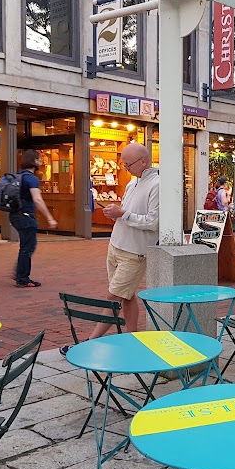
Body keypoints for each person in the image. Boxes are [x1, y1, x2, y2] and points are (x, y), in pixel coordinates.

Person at [63, 143, 159, 353]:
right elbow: (128, 213)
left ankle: (89, 342)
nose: (126, 168)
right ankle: (133, 338)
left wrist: (122, 214)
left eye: (128, 164)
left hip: (135, 252)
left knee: (113, 297)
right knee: (126, 295)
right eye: (123, 164)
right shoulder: (132, 183)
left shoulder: (157, 185)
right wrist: (116, 214)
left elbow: (153, 222)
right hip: (117, 245)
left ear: (144, 161)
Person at [11, 150, 57, 288]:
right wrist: (49, 218)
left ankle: (20, 273)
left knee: (26, 246)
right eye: (39, 159)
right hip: (26, 216)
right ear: (34, 161)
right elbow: (37, 199)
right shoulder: (31, 179)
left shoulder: (18, 175)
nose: (41, 161)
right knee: (28, 247)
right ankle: (22, 278)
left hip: (15, 215)